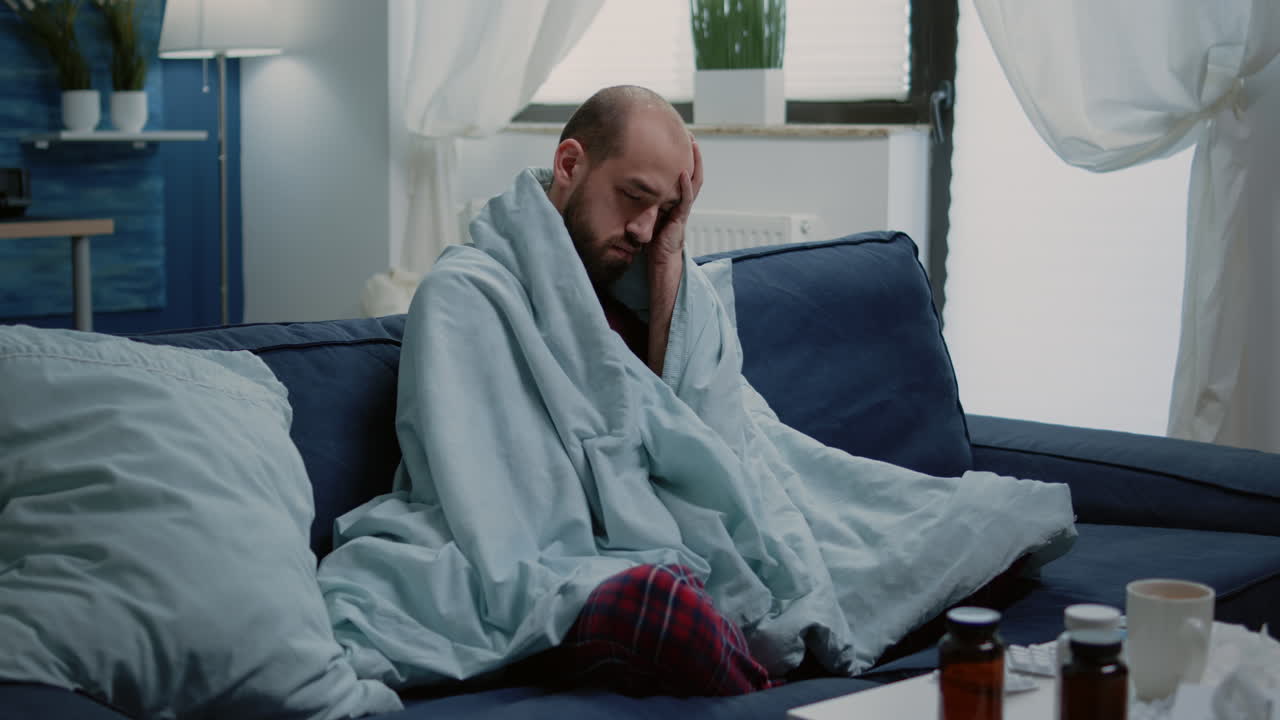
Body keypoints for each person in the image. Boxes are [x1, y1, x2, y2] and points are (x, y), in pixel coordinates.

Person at [316, 85, 1075, 701]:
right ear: (570, 164)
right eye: (633, 198)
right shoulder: (467, 295)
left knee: (979, 518)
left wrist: (676, 255)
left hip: (683, 520)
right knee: (649, 604)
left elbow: (717, 434)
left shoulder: (655, 277)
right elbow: (496, 496)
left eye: (666, 210)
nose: (645, 228)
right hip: (581, 543)